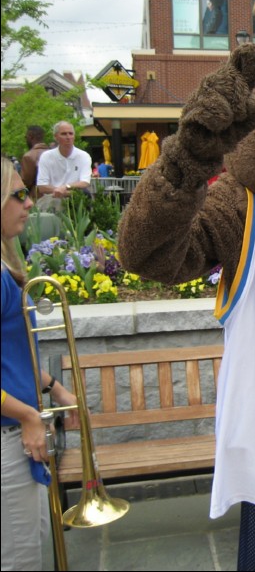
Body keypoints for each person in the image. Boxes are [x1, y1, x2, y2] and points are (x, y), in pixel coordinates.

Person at [1, 158, 78, 570]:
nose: (29, 203)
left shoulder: (5, 267)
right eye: (17, 194)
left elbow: (10, 353)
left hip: (15, 429)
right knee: (20, 559)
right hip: (7, 435)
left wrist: (53, 386)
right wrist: (28, 415)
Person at [36, 121, 92, 212]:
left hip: (76, 200)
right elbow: (42, 186)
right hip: (52, 199)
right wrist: (60, 191)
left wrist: (65, 187)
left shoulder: (83, 156)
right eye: (64, 134)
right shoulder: (46, 156)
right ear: (56, 137)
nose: (68, 137)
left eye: (71, 134)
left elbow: (85, 182)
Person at [20, 126, 49, 198]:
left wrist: (20, 198)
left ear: (30, 136)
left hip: (37, 197)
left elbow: (25, 183)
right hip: (56, 195)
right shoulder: (54, 154)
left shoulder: (29, 156)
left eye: (26, 137)